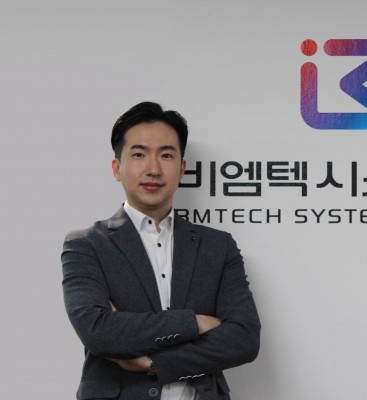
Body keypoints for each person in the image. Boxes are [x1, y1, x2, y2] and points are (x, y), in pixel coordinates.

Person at [62, 102, 260, 400]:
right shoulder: (86, 244)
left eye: (166, 155)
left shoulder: (218, 246)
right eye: (139, 154)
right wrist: (195, 322)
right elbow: (98, 332)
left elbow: (244, 338)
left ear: (181, 169)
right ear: (117, 168)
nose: (153, 169)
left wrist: (157, 364)